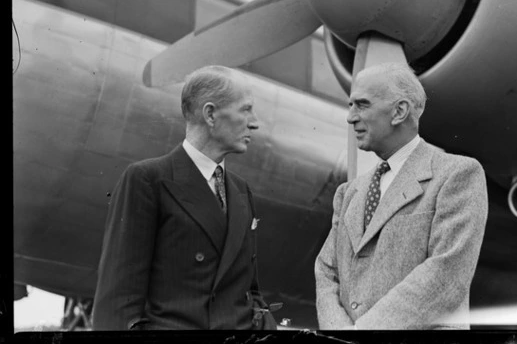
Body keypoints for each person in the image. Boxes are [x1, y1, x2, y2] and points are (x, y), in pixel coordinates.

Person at [92, 65, 277, 330]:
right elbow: (118, 304)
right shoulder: (147, 180)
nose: (255, 122)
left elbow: (250, 289)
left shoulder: (241, 191)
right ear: (210, 114)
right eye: (245, 110)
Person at [315, 62, 488, 330]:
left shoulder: (457, 175)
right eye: (350, 105)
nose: (350, 117)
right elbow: (326, 272)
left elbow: (447, 274)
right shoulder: (348, 193)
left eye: (361, 105)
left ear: (399, 111)